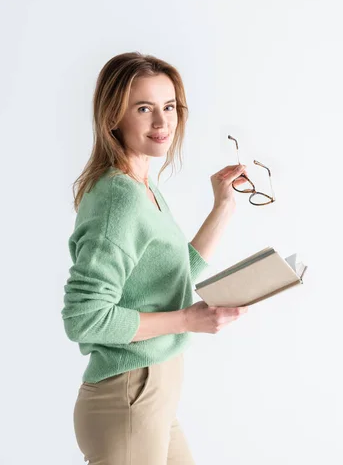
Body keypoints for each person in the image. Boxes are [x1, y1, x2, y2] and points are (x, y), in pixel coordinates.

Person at [61, 51, 249, 465]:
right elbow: (83, 317)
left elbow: (168, 276)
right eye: (144, 108)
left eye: (169, 107)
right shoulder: (119, 198)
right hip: (130, 394)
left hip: (153, 394)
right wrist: (189, 320)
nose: (162, 123)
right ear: (113, 116)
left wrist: (223, 207)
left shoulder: (142, 186)